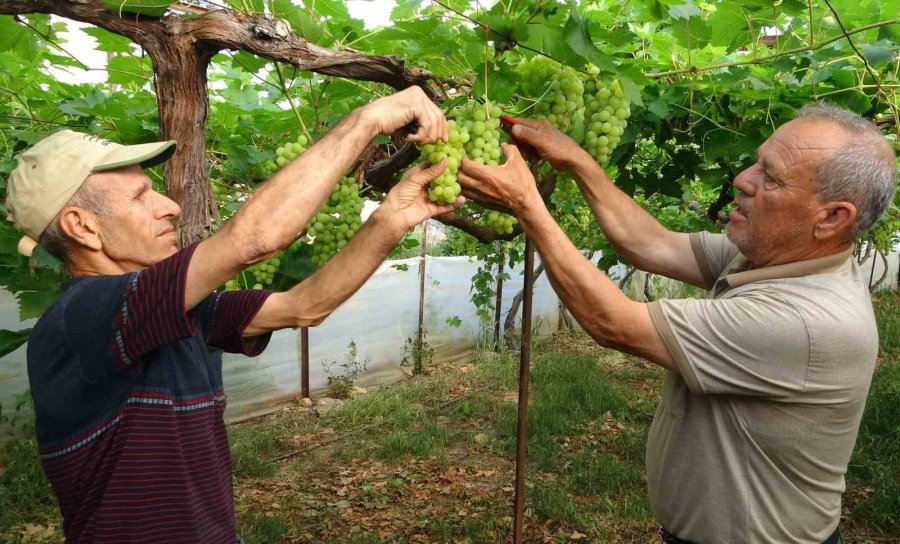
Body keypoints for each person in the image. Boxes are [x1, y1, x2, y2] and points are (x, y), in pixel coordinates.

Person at [5, 86, 460, 543]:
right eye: (141, 196)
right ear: (82, 226)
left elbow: (306, 306)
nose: (171, 206)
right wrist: (367, 120)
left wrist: (393, 218)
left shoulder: (168, 315)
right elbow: (253, 241)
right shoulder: (83, 316)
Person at [457, 102, 897, 544]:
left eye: (771, 177)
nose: (742, 179)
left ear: (833, 217)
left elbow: (612, 322)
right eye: (756, 162)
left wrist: (527, 206)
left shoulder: (806, 322)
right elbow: (652, 244)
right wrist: (577, 161)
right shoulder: (777, 254)